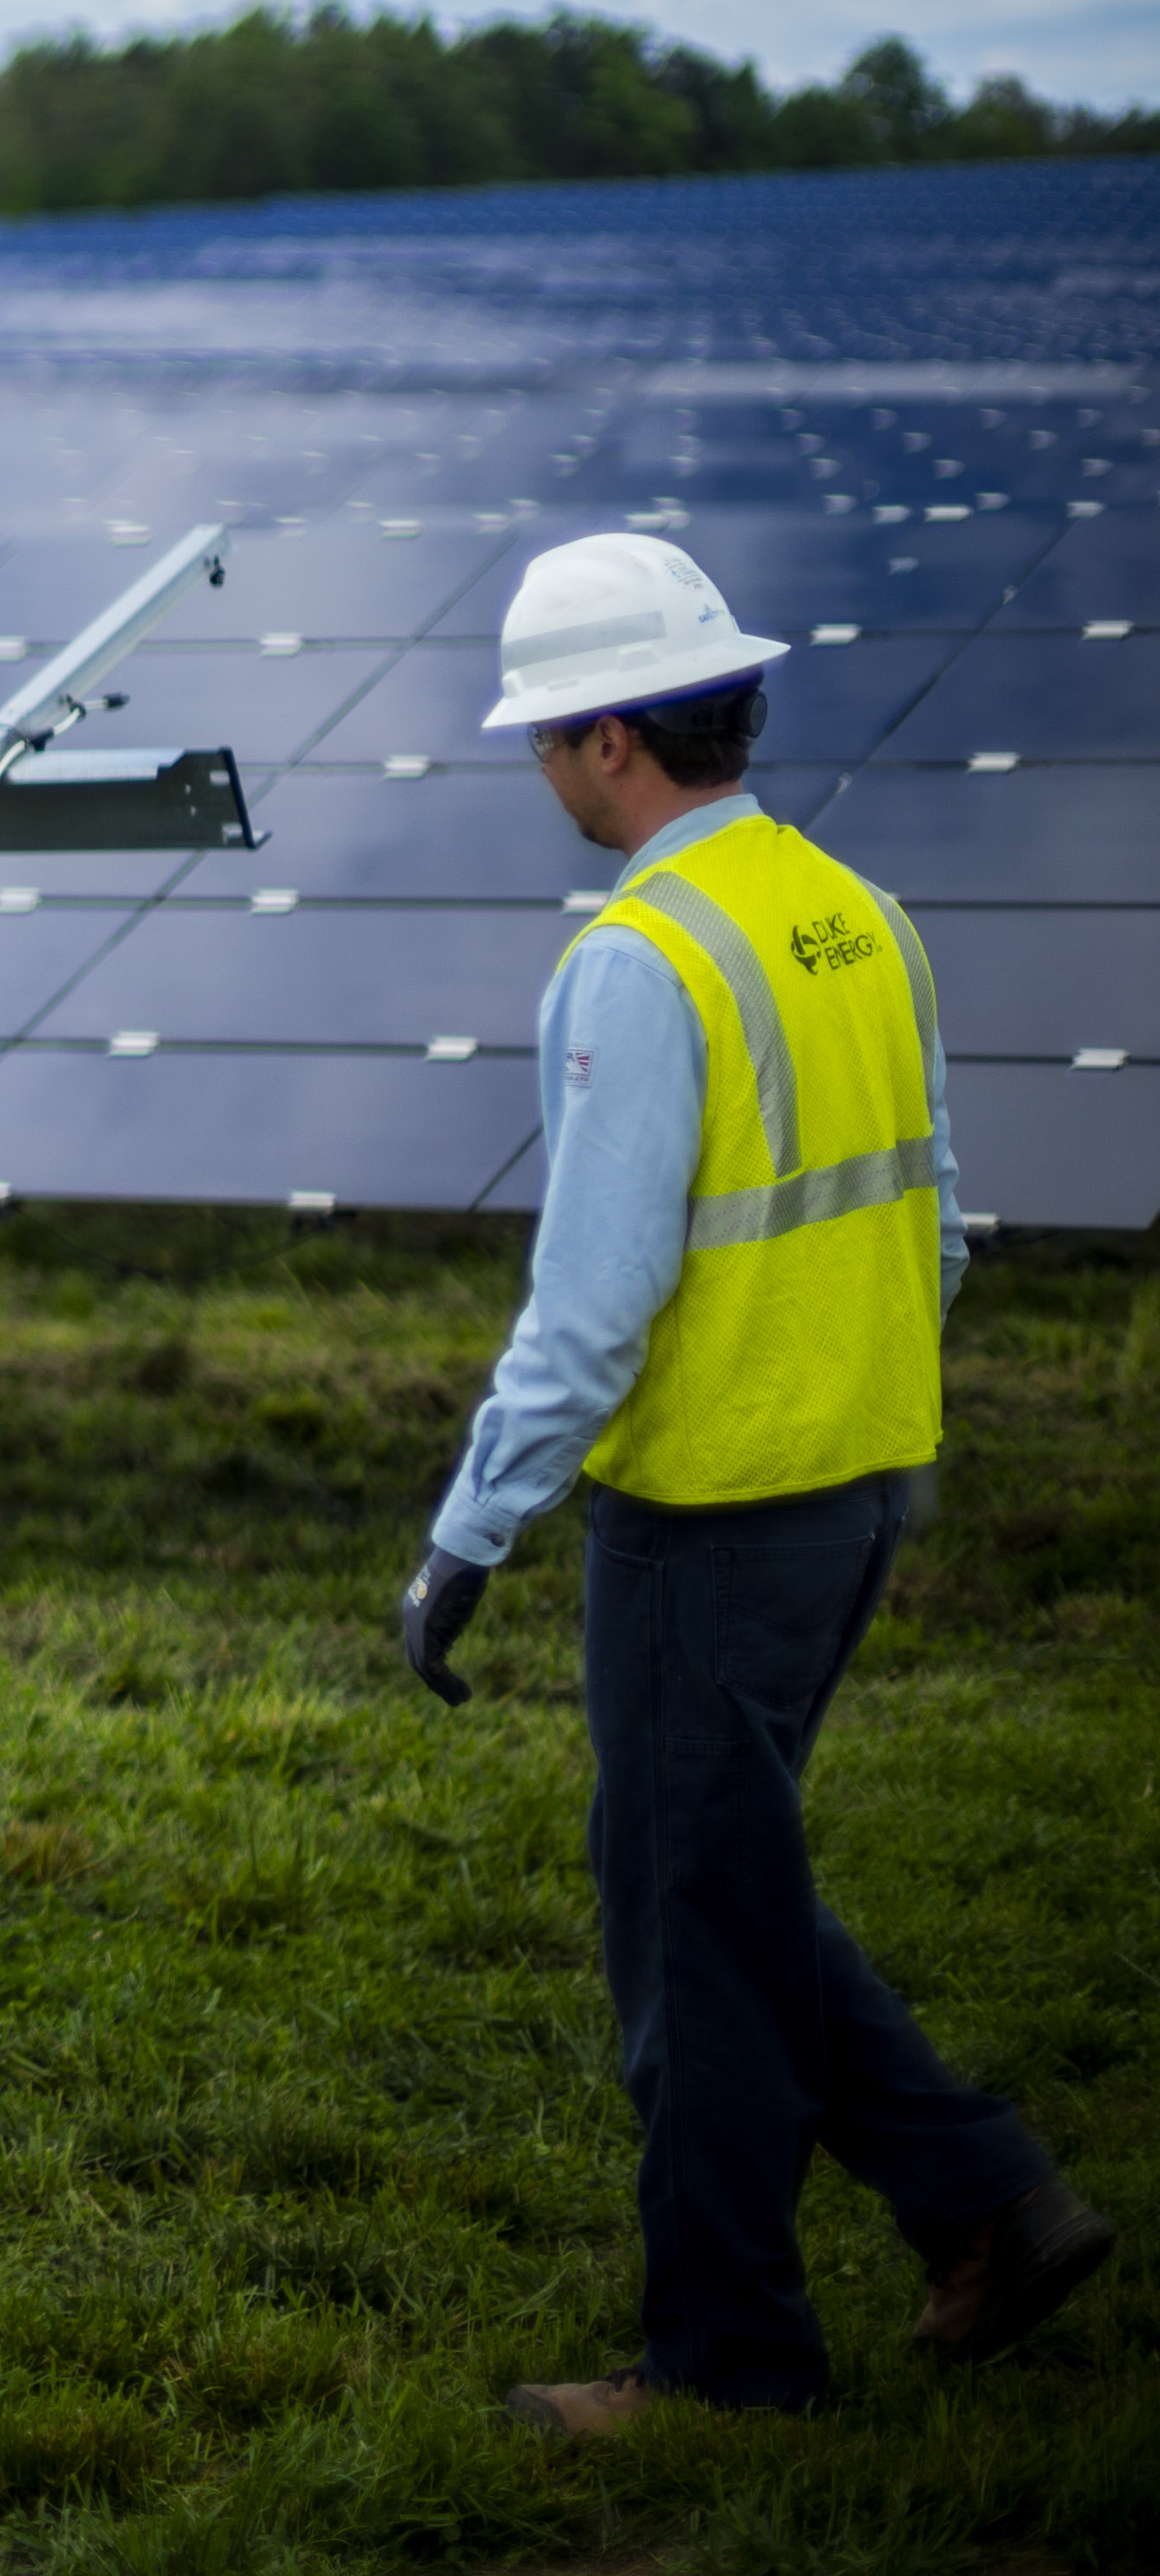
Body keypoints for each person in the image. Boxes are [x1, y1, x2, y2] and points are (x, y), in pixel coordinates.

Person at [400, 534, 1110, 2437]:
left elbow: (594, 1302)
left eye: (547, 733)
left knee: (689, 1941)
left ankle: (726, 2367)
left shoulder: (641, 962)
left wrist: (471, 1529)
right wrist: (850, 1387)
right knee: (723, 1874)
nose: (541, 765)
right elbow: (934, 1218)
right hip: (863, 1483)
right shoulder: (857, 914)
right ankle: (986, 2201)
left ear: (612, 737)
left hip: (711, 1519)